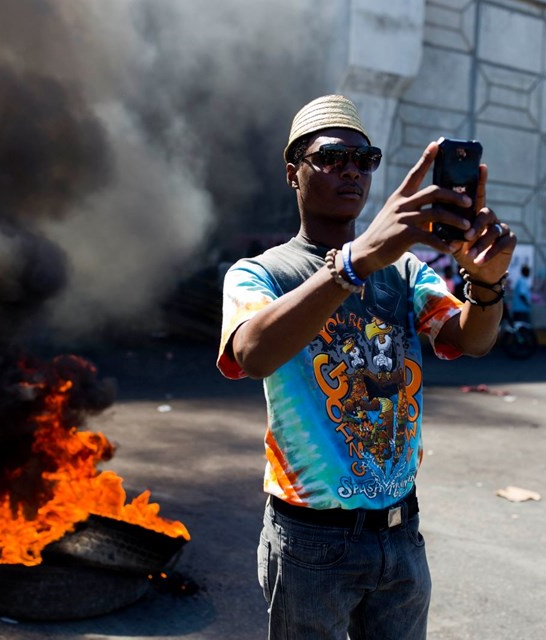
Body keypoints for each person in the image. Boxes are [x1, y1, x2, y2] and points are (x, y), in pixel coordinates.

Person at [216, 94, 515, 639]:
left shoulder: (403, 271)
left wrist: (488, 282)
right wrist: (353, 264)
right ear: (293, 173)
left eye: (365, 159)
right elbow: (252, 353)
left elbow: (470, 339)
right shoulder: (260, 273)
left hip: (401, 532)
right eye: (332, 158)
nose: (351, 171)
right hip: (311, 540)